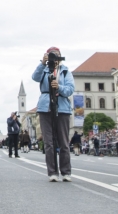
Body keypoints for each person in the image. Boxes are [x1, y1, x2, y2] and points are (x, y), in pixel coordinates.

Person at [32, 47, 75, 182]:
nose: (54, 58)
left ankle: (66, 172)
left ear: (60, 57)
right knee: (48, 142)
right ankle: (52, 172)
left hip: (62, 107)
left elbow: (70, 89)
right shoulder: (44, 70)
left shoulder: (65, 71)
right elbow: (35, 77)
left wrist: (59, 87)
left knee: (63, 142)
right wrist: (42, 63)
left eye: (56, 55)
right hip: (45, 107)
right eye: (51, 55)